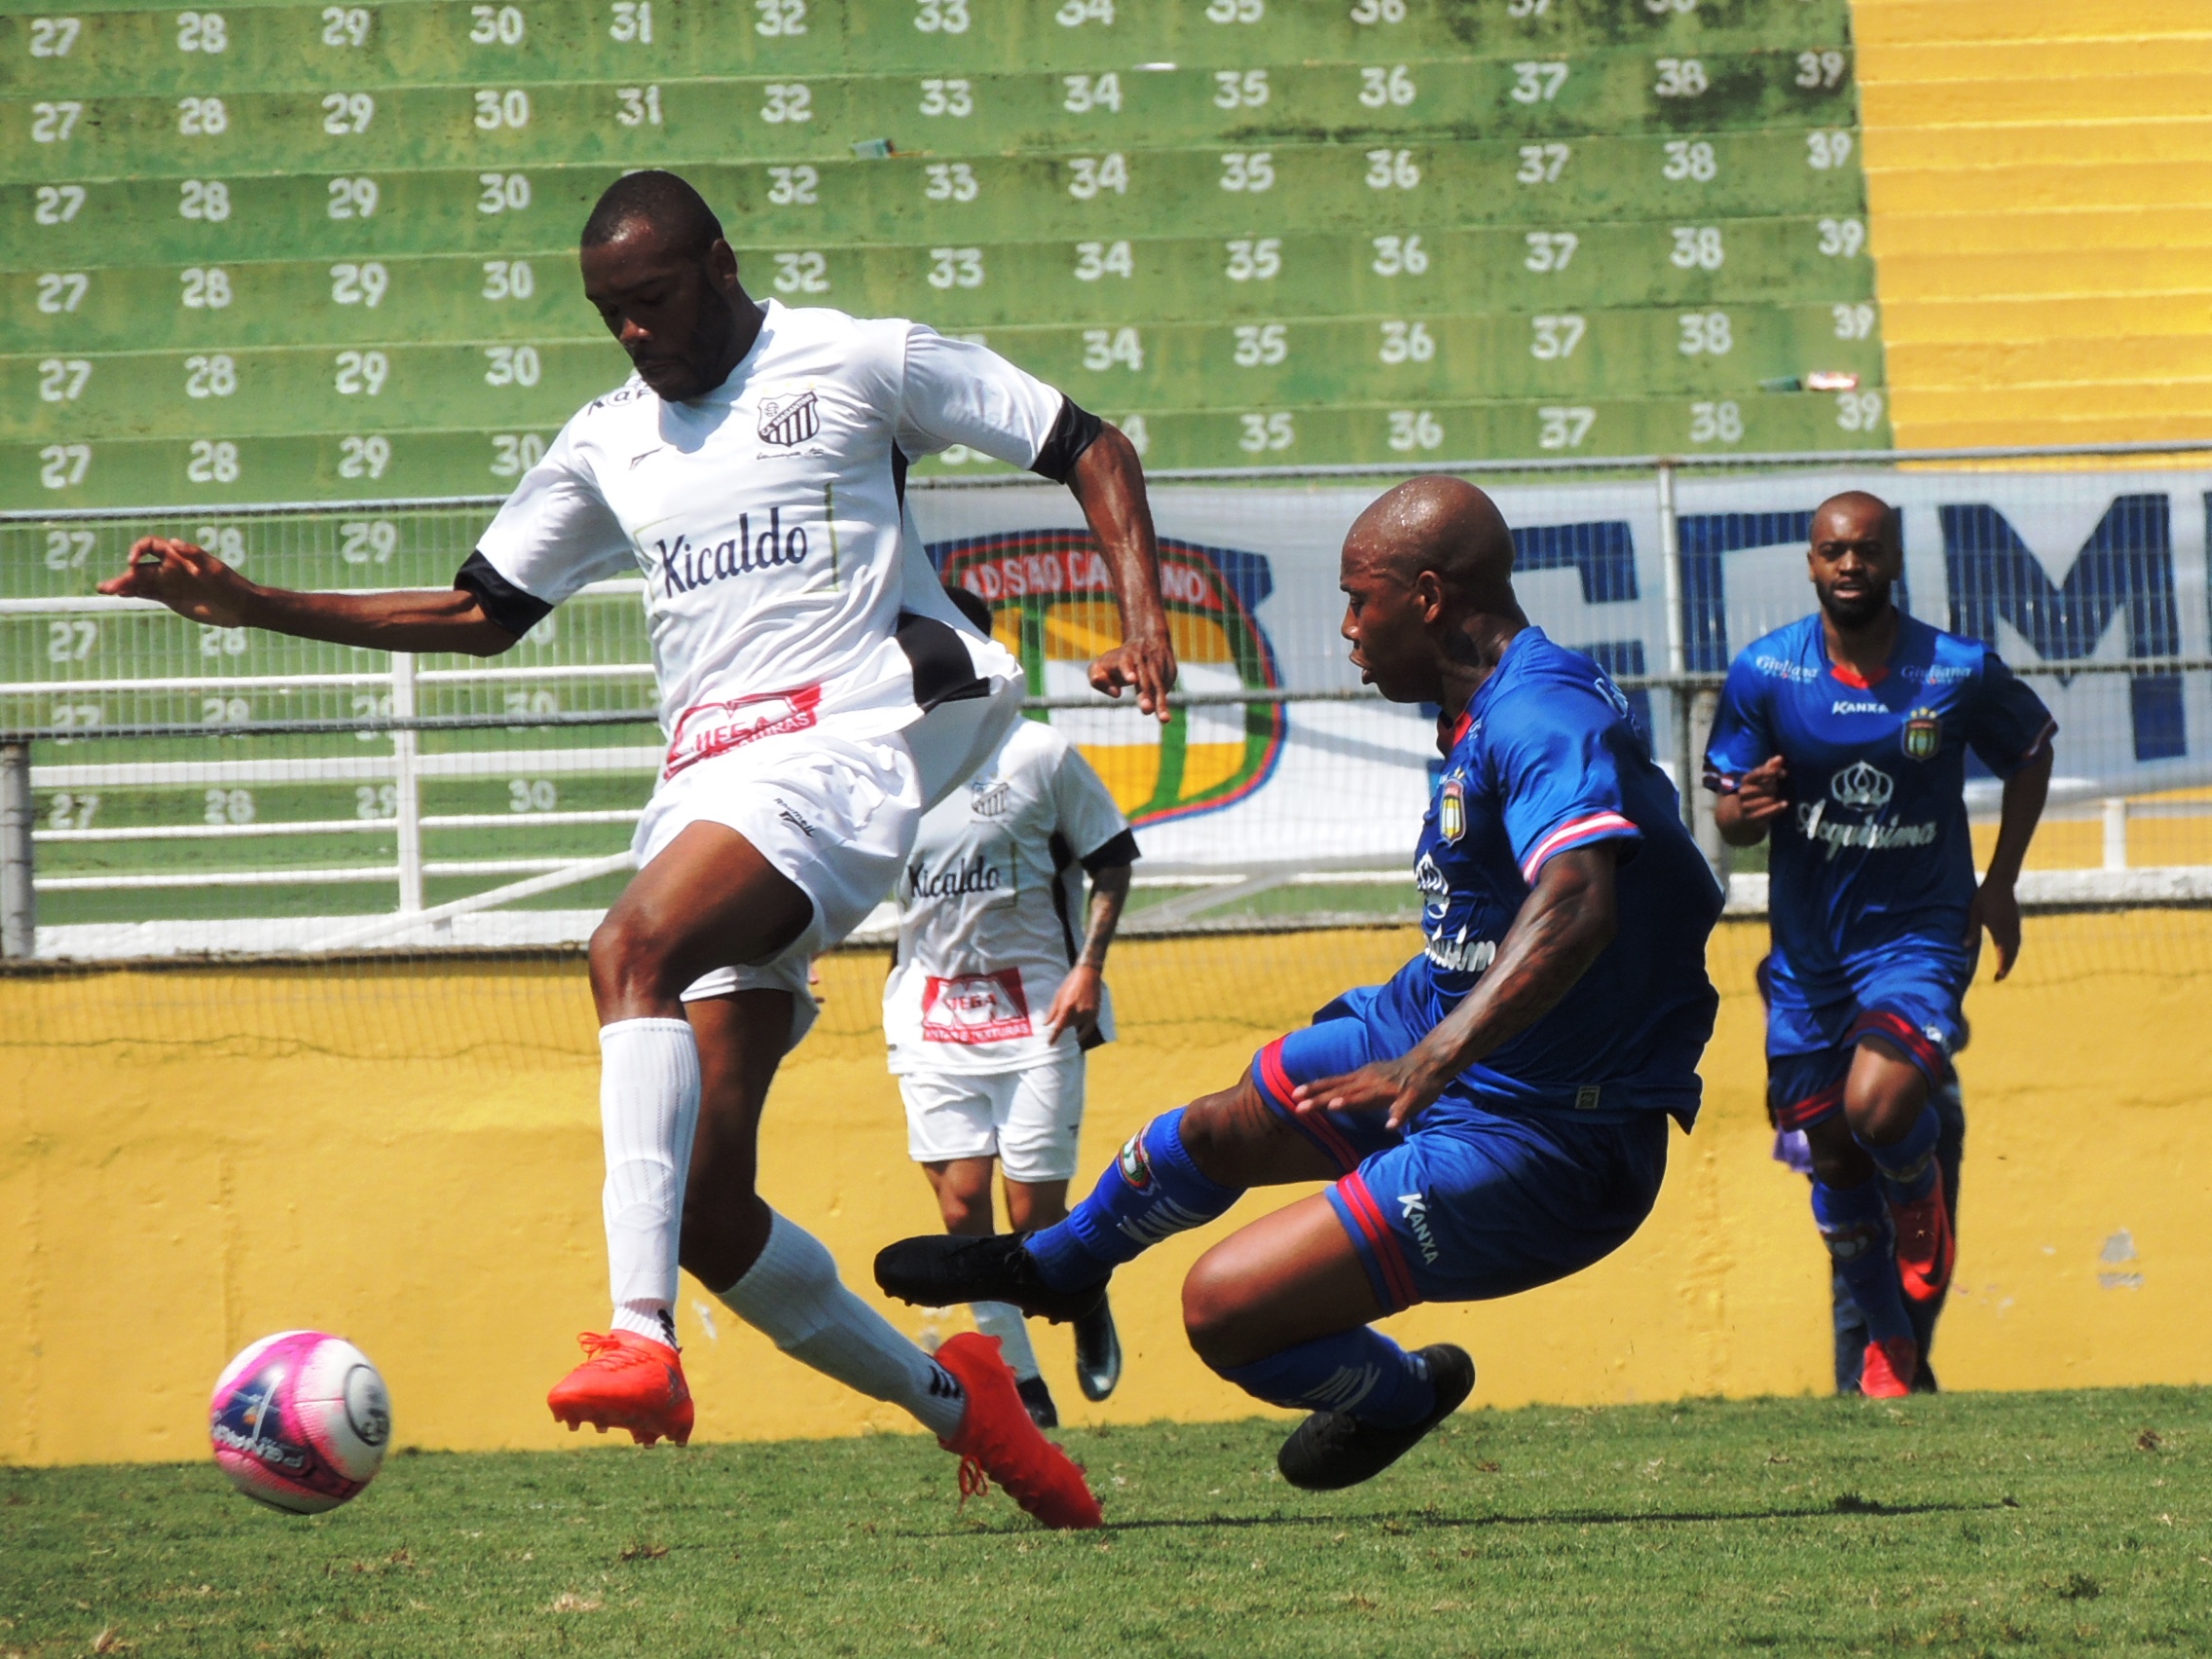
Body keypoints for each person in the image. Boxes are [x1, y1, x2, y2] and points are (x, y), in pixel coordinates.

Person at [101, 169, 1181, 1530]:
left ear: (721, 265)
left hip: (841, 753)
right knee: (710, 1210)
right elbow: (481, 610)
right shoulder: (610, 438)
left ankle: (638, 1337)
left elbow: (1087, 443)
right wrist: (252, 605)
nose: (632, 335)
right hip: (707, 794)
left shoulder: (855, 361)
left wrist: (1139, 615)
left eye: (652, 302)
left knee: (630, 946)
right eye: (608, 314)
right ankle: (968, 1403)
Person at [874, 477, 1725, 1490]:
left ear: (1427, 596)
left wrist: (1430, 1060)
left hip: (1553, 1130)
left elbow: (1580, 903)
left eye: (1358, 600)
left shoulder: (1539, 711)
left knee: (1223, 1308)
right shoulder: (1479, 704)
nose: (1347, 629)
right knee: (1204, 1133)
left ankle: (1399, 1393)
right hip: (1439, 1026)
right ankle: (1053, 1268)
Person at [1706, 492, 2052, 1398]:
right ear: (1810, 562)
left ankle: (1919, 1188)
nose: (1849, 565)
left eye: (1865, 550)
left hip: (1920, 939)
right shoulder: (1766, 672)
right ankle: (1889, 1346)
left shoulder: (1958, 669)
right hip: (1809, 957)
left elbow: (2031, 750)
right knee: (1828, 1152)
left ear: (1893, 558)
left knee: (1883, 1105)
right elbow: (1729, 814)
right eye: (1832, 551)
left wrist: (2002, 881)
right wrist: (1744, 809)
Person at [885, 587, 1138, 1427]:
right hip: (928, 1019)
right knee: (962, 1215)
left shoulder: (1039, 755)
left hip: (1038, 1017)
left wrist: (1089, 968)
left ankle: (1086, 1296)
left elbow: (1110, 861)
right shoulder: (883, 760)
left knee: (1036, 1220)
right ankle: (1021, 1384)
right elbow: (829, 870)